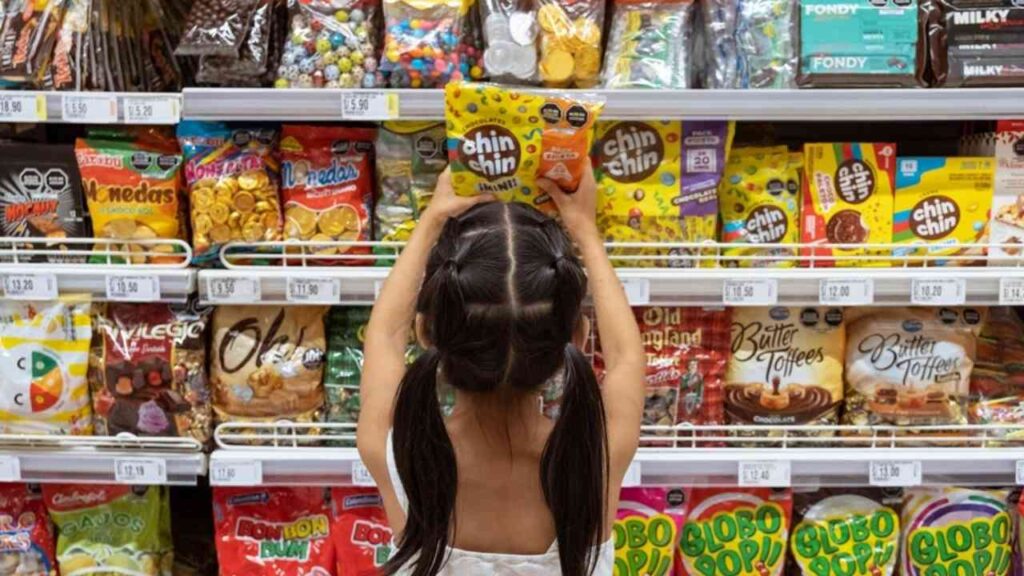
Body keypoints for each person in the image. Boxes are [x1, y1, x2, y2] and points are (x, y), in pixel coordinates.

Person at [357, 159, 645, 576]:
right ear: (579, 339)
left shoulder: (397, 455)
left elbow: (382, 337)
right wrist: (585, 229)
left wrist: (432, 220)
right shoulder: (594, 461)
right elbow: (626, 360)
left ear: (426, 333)